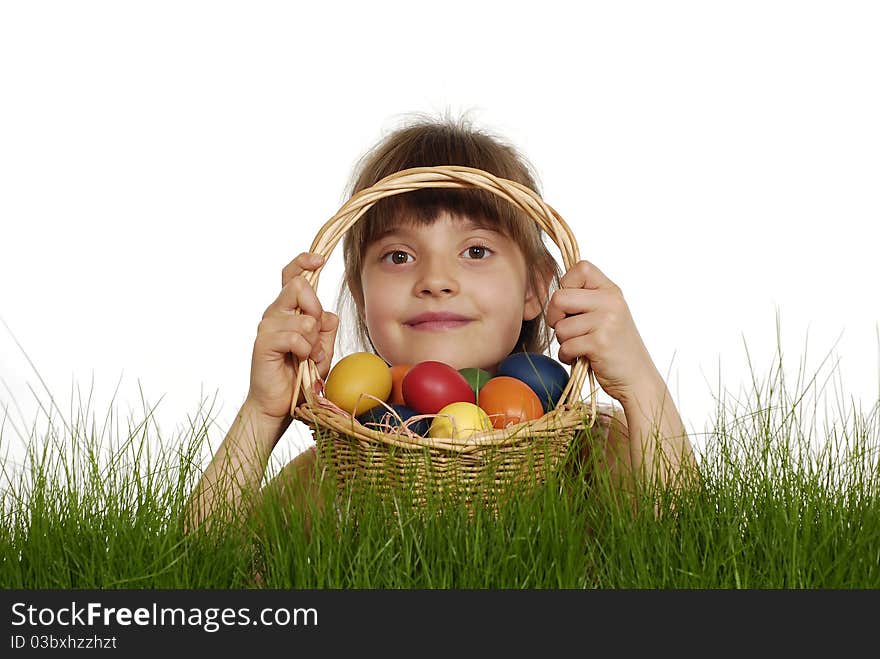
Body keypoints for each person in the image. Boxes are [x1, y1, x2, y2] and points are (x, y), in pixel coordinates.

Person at [185, 112, 697, 531]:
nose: (435, 279)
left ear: (537, 288)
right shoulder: (333, 472)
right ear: (362, 299)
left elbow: (688, 553)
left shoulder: (592, 449)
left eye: (475, 250)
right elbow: (199, 580)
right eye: (398, 256)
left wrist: (640, 383)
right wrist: (262, 412)